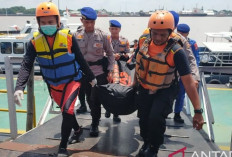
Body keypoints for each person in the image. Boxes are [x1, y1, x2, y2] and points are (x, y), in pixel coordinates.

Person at [13, 2, 96, 156]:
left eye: (50, 22)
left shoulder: (69, 37)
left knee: (66, 110)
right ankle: (77, 131)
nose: (47, 25)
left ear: (58, 21)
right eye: (43, 23)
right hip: (53, 85)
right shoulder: (34, 42)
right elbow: (26, 64)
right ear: (38, 23)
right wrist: (19, 87)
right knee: (68, 112)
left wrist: (91, 78)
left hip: (72, 81)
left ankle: (63, 148)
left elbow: (81, 60)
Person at [134, 10, 204, 157]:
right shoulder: (142, 42)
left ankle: (154, 147)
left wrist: (198, 111)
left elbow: (188, 82)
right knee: (144, 118)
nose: (158, 38)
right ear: (150, 31)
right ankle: (146, 141)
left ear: (170, 32)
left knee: (156, 118)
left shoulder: (176, 52)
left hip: (165, 89)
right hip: (145, 87)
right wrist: (133, 85)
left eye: (163, 35)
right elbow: (138, 64)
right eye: (155, 34)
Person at [74, 7, 115, 137]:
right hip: (83, 73)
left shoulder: (103, 36)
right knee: (88, 98)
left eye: (92, 22)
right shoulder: (76, 35)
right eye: (87, 22)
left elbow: (110, 54)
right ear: (82, 20)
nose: (90, 25)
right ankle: (95, 118)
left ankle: (95, 124)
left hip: (98, 72)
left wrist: (110, 70)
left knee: (95, 99)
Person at [169, 11, 200, 123]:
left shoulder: (188, 42)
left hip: (182, 72)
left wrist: (194, 76)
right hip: (169, 72)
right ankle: (166, 112)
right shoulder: (158, 37)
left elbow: (194, 59)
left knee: (181, 94)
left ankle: (177, 113)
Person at [103, 20, 131, 122]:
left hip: (119, 68)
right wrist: (111, 55)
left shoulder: (124, 40)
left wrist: (121, 55)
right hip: (108, 67)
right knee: (108, 87)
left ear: (119, 29)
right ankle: (107, 109)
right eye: (112, 29)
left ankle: (115, 113)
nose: (114, 31)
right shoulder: (105, 39)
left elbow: (128, 54)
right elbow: (101, 53)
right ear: (109, 29)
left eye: (116, 29)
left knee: (117, 89)